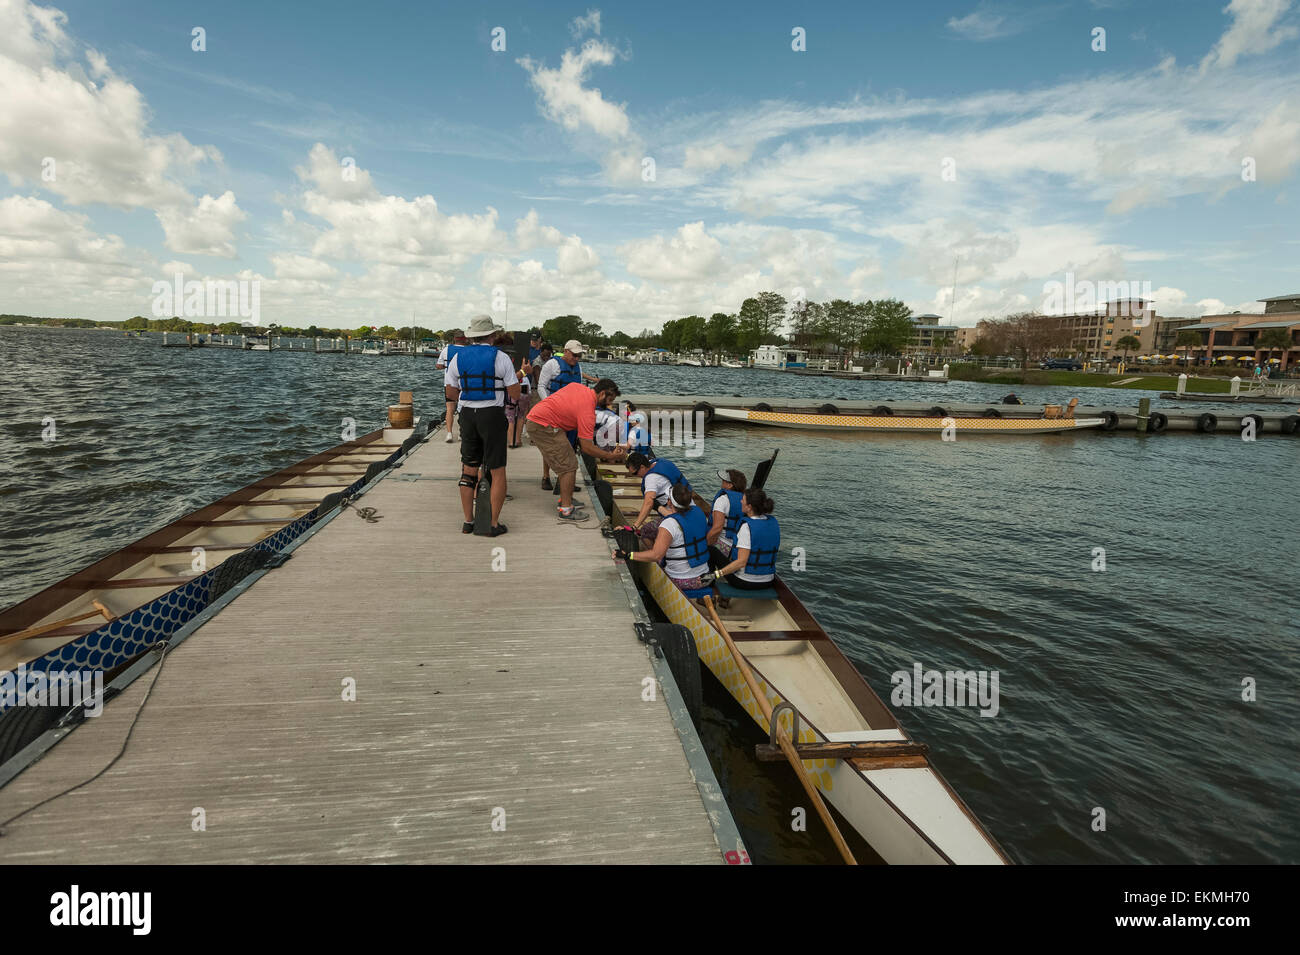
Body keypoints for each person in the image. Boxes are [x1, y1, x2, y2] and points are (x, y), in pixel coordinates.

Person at [445, 315, 519, 537]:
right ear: (493, 335)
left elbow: (450, 392)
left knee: (468, 469)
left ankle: (468, 521)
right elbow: (514, 393)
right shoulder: (502, 358)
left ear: (472, 336)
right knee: (497, 470)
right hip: (492, 415)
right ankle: (492, 524)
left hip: (467, 415)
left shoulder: (458, 356)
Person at [527, 377, 627, 520]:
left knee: (569, 463)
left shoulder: (578, 387)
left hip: (539, 419)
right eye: (610, 400)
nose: (610, 405)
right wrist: (611, 456)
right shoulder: (587, 411)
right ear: (603, 394)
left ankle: (565, 498)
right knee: (568, 466)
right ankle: (566, 510)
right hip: (543, 425)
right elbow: (586, 447)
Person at [616, 484, 711, 596]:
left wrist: (628, 555)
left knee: (656, 555)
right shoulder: (699, 512)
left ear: (669, 502)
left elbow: (656, 556)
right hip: (705, 576)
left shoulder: (669, 524)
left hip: (681, 580)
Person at [713, 489, 780, 591]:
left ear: (749, 507)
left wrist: (716, 574)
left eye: (743, 500)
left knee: (711, 550)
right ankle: (724, 600)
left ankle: (709, 587)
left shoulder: (746, 527)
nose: (741, 501)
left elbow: (741, 562)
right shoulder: (773, 522)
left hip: (745, 581)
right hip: (768, 581)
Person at [624, 452, 692, 545]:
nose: (636, 476)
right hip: (689, 506)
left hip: (678, 516)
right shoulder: (657, 462)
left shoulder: (651, 479)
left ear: (643, 467)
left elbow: (648, 502)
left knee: (646, 531)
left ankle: (659, 557)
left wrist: (635, 527)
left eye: (635, 473)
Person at [707, 469, 747, 568]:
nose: (722, 482)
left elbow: (717, 529)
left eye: (724, 481)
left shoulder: (722, 500)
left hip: (724, 546)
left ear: (730, 485)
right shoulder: (746, 500)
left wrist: (705, 544)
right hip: (738, 546)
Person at [437, 332, 468, 443]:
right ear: (465, 339)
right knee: (463, 409)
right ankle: (461, 433)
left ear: (454, 339)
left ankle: (449, 434)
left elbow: (438, 365)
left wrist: (447, 365)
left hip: (449, 384)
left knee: (449, 409)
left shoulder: (446, 350)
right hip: (463, 384)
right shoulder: (467, 351)